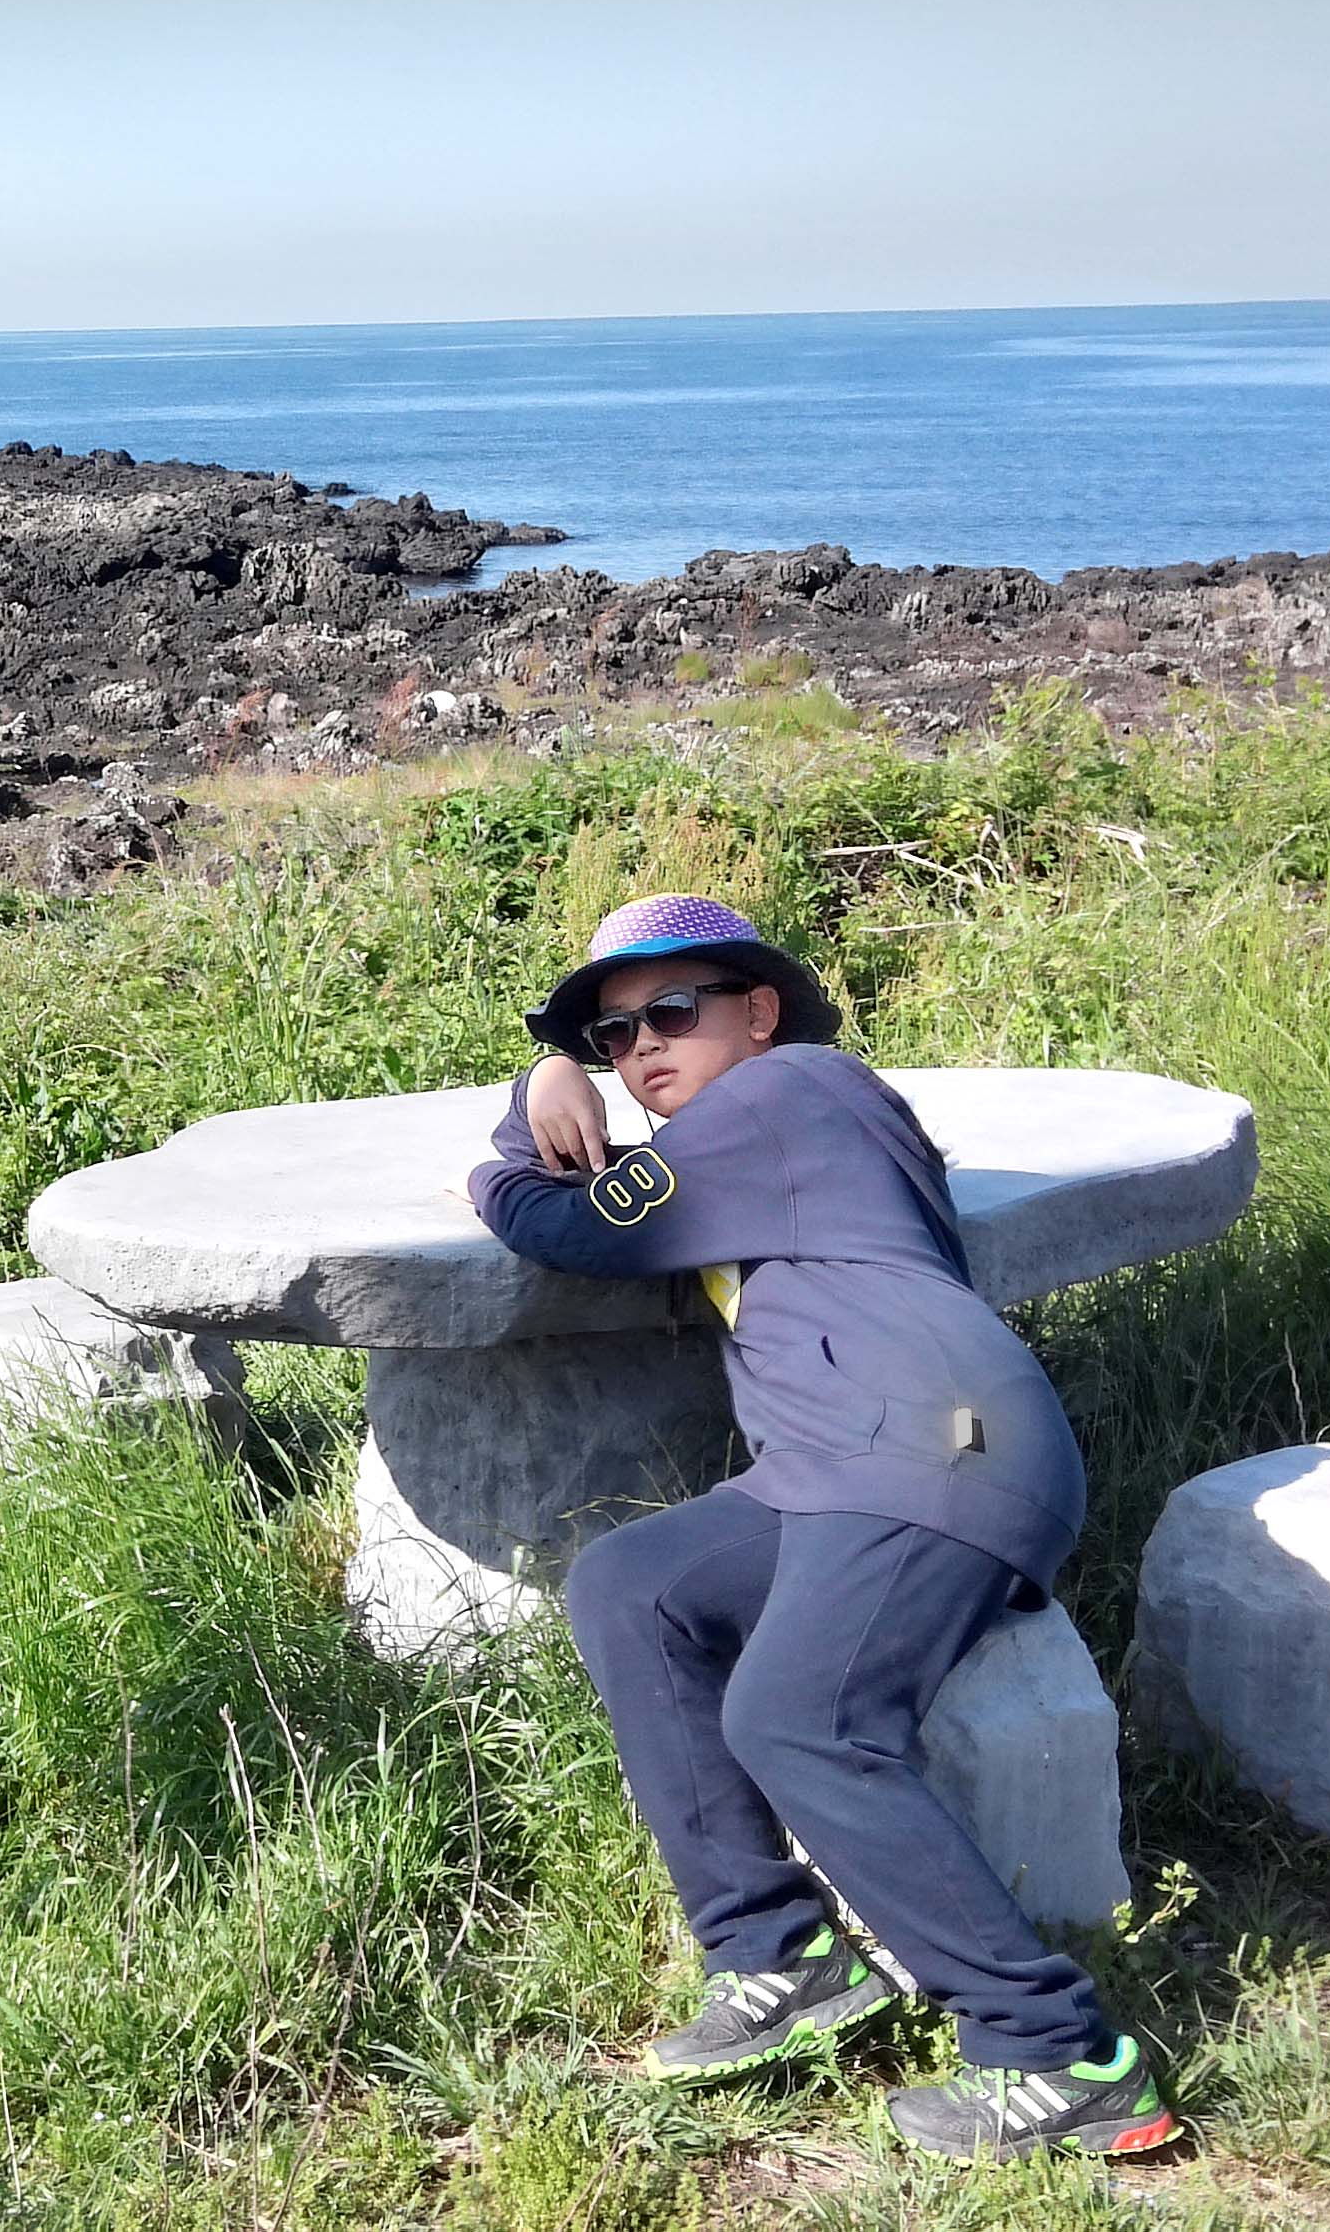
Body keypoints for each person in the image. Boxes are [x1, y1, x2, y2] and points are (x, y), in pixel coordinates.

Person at [463, 891, 1182, 2163]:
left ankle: (1058, 2055)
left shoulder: (794, 1092)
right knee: (635, 1583)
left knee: (800, 1717)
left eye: (670, 1011)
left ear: (757, 1011)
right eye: (608, 1038)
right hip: (839, 1462)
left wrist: (513, 1138)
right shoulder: (745, 1144)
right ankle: (778, 1956)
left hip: (930, 1439)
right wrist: (540, 1084)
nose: (638, 1050)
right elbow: (625, 1201)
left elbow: (571, 1227)